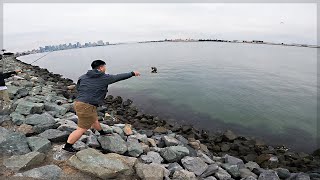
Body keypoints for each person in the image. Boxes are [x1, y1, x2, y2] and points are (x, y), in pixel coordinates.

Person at [63, 60, 140, 152]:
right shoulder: (104, 78)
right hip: (87, 106)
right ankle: (67, 146)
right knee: (81, 129)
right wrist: (132, 73)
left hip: (79, 103)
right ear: (101, 68)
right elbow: (118, 77)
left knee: (94, 119)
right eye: (104, 67)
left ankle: (102, 133)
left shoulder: (83, 77)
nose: (105, 68)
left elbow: (79, 88)